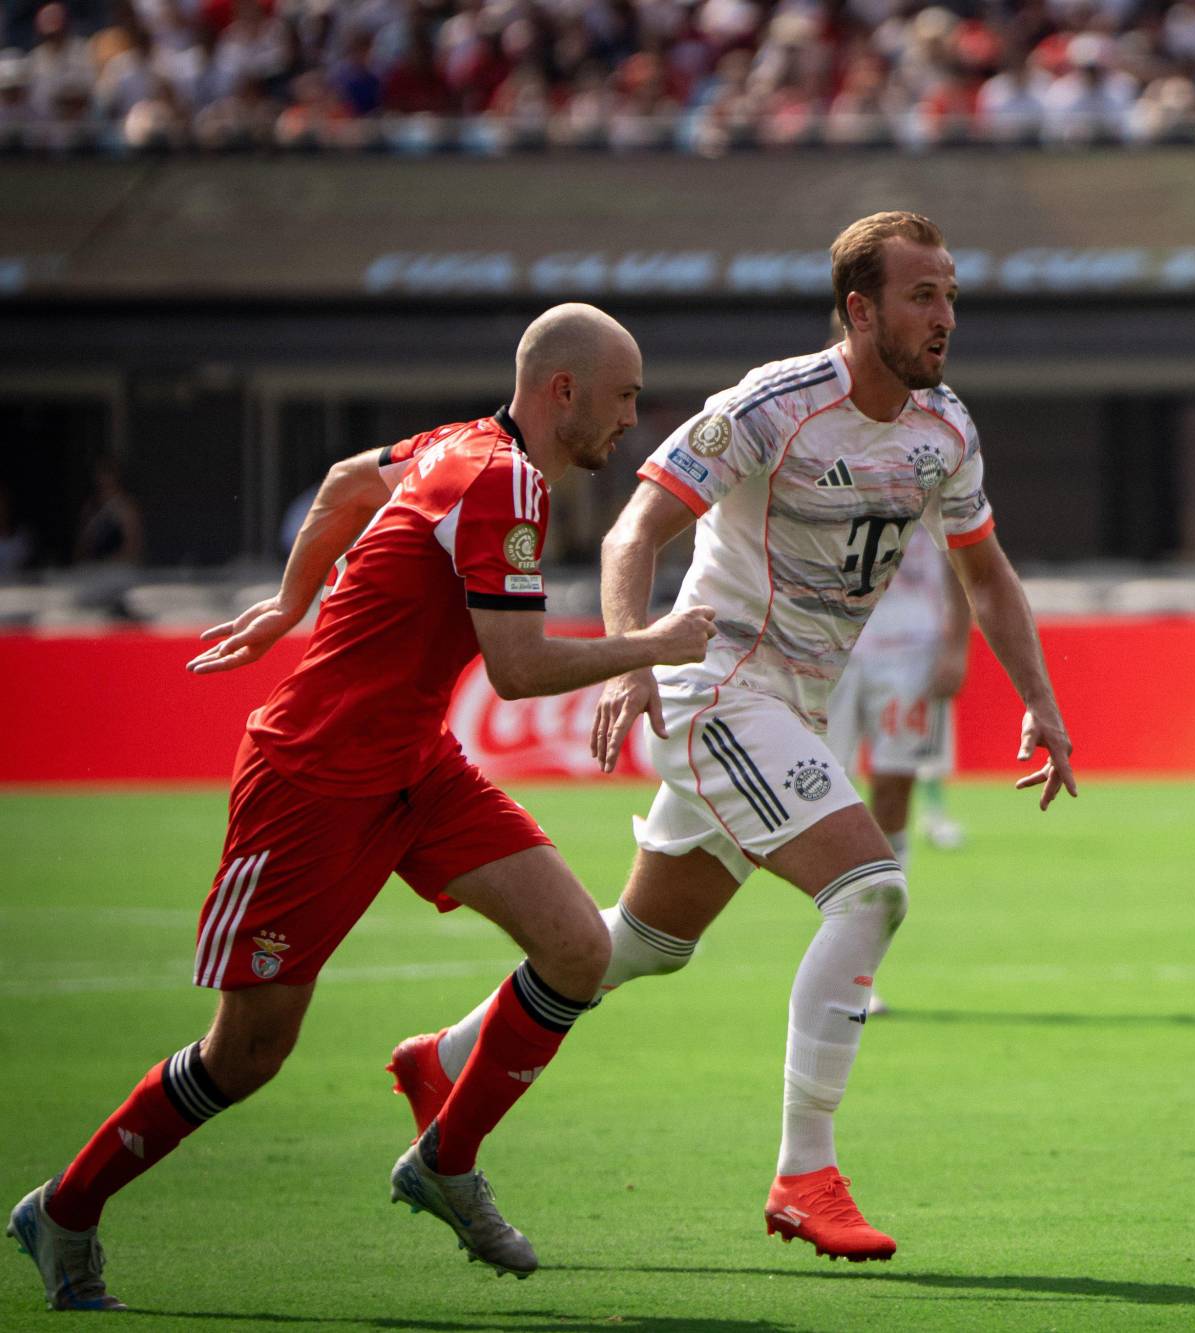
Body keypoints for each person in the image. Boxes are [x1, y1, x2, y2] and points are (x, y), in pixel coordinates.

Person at [385, 211, 1077, 1264]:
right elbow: (635, 528)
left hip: (791, 703)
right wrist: (627, 652)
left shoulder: (946, 428)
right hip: (718, 686)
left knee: (642, 945)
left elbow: (985, 572)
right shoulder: (770, 405)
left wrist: (1039, 696)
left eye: (948, 297)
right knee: (871, 888)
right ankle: (805, 1173)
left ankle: (447, 1057)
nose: (942, 317)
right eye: (920, 296)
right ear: (860, 309)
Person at [6, 304, 718, 1311]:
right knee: (246, 1052)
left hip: (413, 767)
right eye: (625, 396)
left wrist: (292, 602)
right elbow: (513, 670)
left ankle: (443, 1160)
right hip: (313, 779)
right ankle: (65, 1211)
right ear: (563, 391)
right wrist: (653, 642)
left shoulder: (454, 446)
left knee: (576, 947)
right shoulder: (501, 479)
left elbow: (346, 481)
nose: (632, 418)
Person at [824, 522, 972, 1015]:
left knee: (892, 797)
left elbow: (966, 553)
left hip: (912, 649)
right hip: (829, 644)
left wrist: (956, 643)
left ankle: (858, 969)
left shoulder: (938, 454)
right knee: (815, 795)